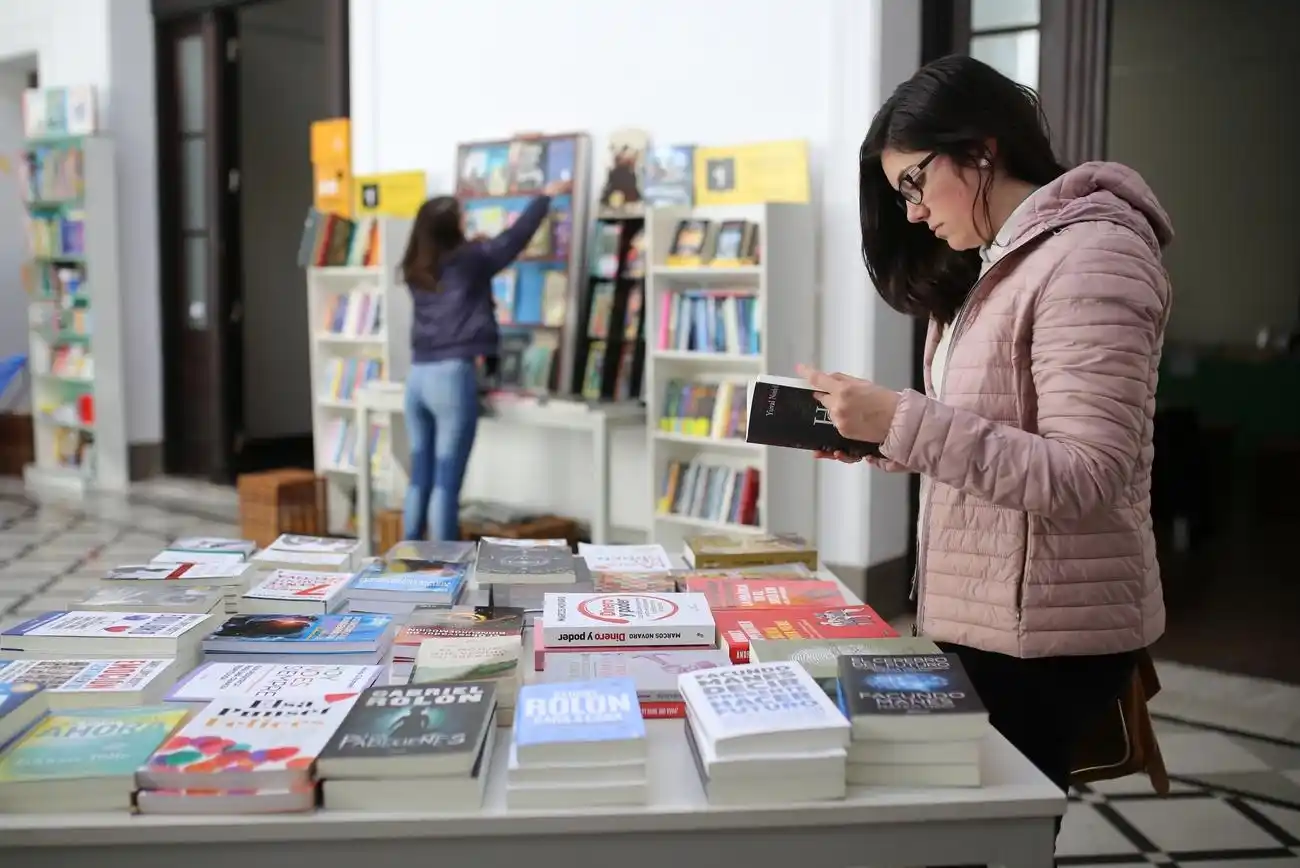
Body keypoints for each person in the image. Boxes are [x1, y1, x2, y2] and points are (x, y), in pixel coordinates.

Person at [800, 55, 1172, 833]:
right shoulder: (991, 263)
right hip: (987, 615)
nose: (911, 213)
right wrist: (881, 438)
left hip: (1048, 636)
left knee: (997, 840)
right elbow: (992, 426)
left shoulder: (1092, 258)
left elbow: (1084, 475)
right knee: (967, 831)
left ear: (980, 150)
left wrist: (901, 420)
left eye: (914, 183)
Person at [399, 181, 567, 541]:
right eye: (463, 218)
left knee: (419, 478)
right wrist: (545, 197)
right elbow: (514, 239)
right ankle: (446, 565)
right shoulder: (471, 260)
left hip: (417, 377)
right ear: (452, 226)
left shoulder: (417, 267)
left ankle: (406, 557)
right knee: (446, 483)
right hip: (451, 376)